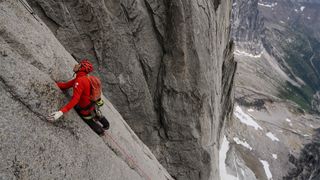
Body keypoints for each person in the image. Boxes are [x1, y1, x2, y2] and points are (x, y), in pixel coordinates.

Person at [48, 59, 109, 136]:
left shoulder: (79, 81)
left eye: (78, 64)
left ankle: (101, 131)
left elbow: (75, 100)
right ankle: (106, 124)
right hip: (92, 104)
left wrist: (60, 112)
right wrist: (52, 83)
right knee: (93, 112)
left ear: (81, 68)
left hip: (84, 108)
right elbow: (65, 85)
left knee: (88, 119)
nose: (75, 65)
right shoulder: (84, 78)